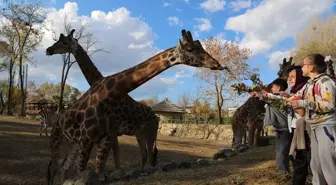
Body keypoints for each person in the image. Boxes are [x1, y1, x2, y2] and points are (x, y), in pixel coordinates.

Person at [290, 54, 336, 185]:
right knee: (316, 166)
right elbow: (292, 99)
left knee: (329, 167)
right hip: (314, 127)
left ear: (311, 67)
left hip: (326, 127)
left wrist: (303, 104)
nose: (302, 67)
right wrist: (265, 96)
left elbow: (329, 105)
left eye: (303, 64)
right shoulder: (309, 84)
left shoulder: (325, 82)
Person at [252, 78, 291, 174]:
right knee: (280, 150)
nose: (272, 89)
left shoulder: (280, 97)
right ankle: (282, 170)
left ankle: (283, 171)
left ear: (278, 87)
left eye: (273, 87)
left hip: (284, 129)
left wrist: (255, 92)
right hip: (280, 128)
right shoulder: (278, 97)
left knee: (282, 151)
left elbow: (267, 97)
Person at [281, 65, 311, 185]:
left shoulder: (306, 91)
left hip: (306, 131)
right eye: (289, 77)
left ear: (300, 77)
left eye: (293, 77)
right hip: (295, 129)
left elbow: (303, 113)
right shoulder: (294, 92)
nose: (289, 80)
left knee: (303, 160)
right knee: (298, 161)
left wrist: (294, 102)